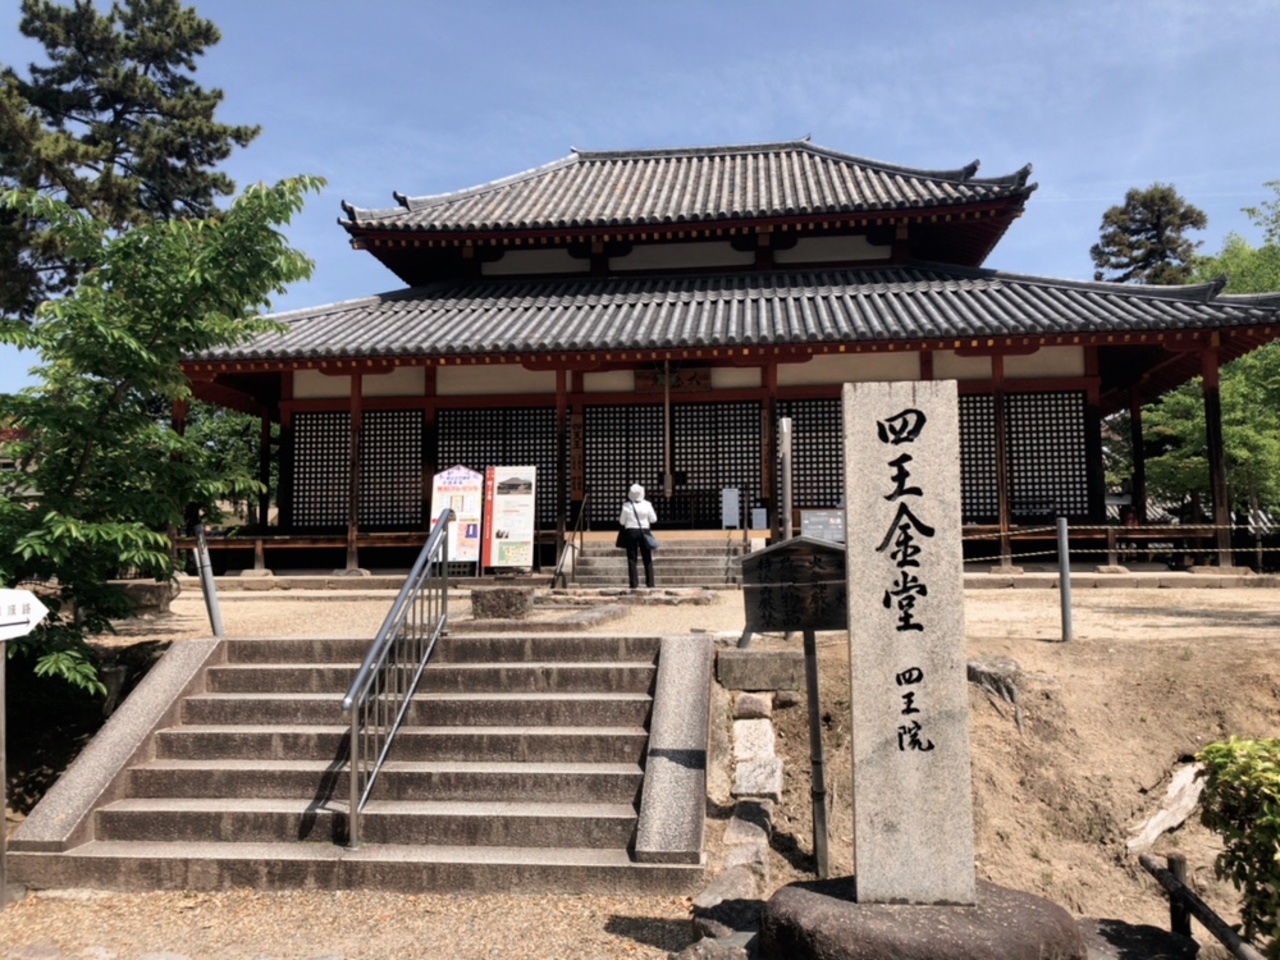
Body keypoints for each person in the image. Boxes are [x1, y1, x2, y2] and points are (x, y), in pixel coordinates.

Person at [618, 483, 659, 589]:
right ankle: (650, 583)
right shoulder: (647, 504)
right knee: (647, 557)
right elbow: (654, 519)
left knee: (632, 558)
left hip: (630, 531)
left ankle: (634, 583)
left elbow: (622, 522)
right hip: (644, 530)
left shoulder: (626, 506)